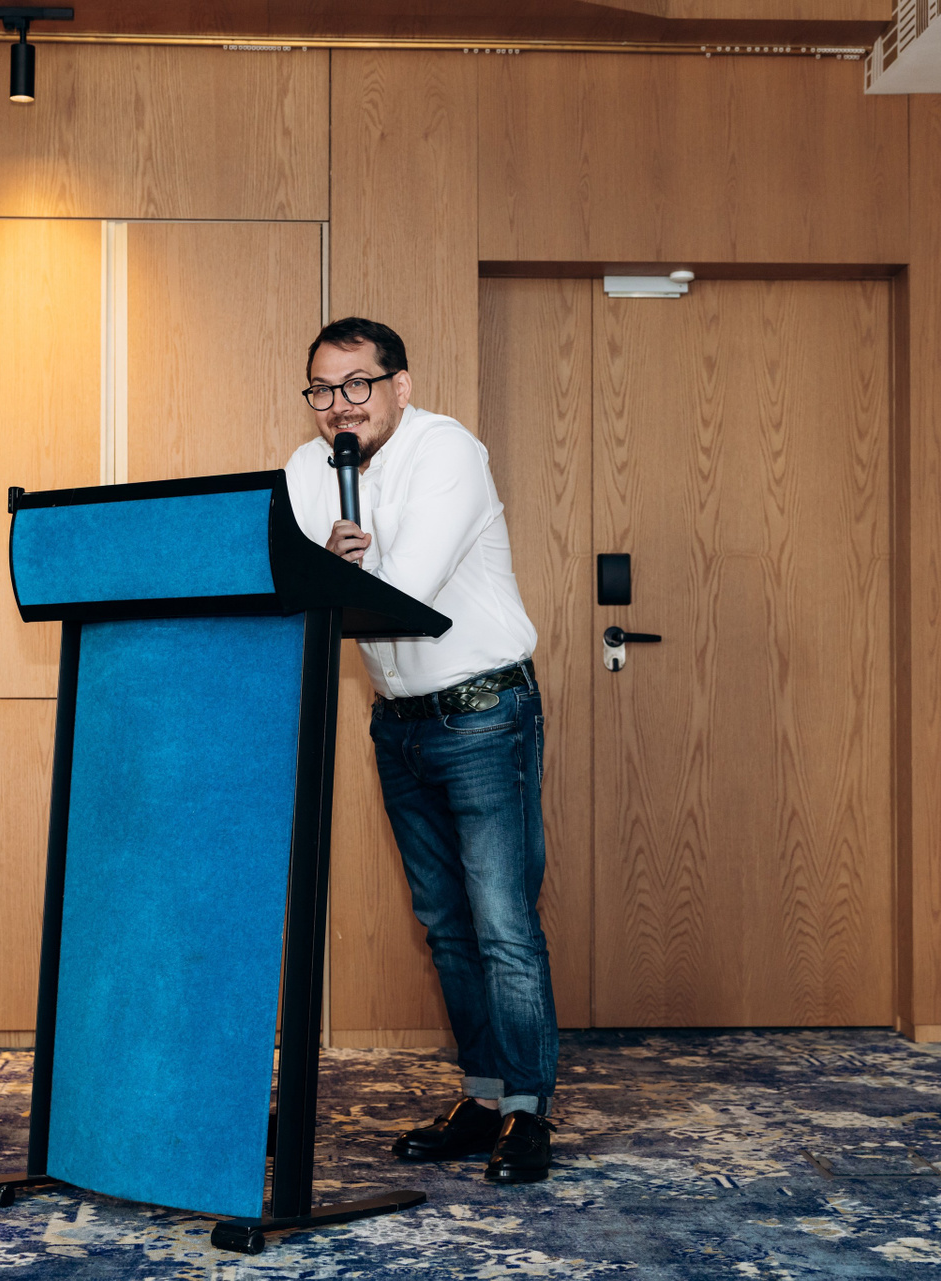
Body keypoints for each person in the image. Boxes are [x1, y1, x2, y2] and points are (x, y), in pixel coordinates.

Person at [283, 317, 559, 1184]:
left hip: (484, 715)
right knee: (444, 925)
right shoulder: (304, 470)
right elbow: (290, 585)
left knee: (502, 923)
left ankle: (527, 1111)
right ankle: (482, 1097)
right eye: (323, 389)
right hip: (397, 722)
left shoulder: (448, 452)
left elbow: (405, 594)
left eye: (358, 384)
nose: (340, 406)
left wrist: (337, 572)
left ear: (398, 386)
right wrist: (325, 573)